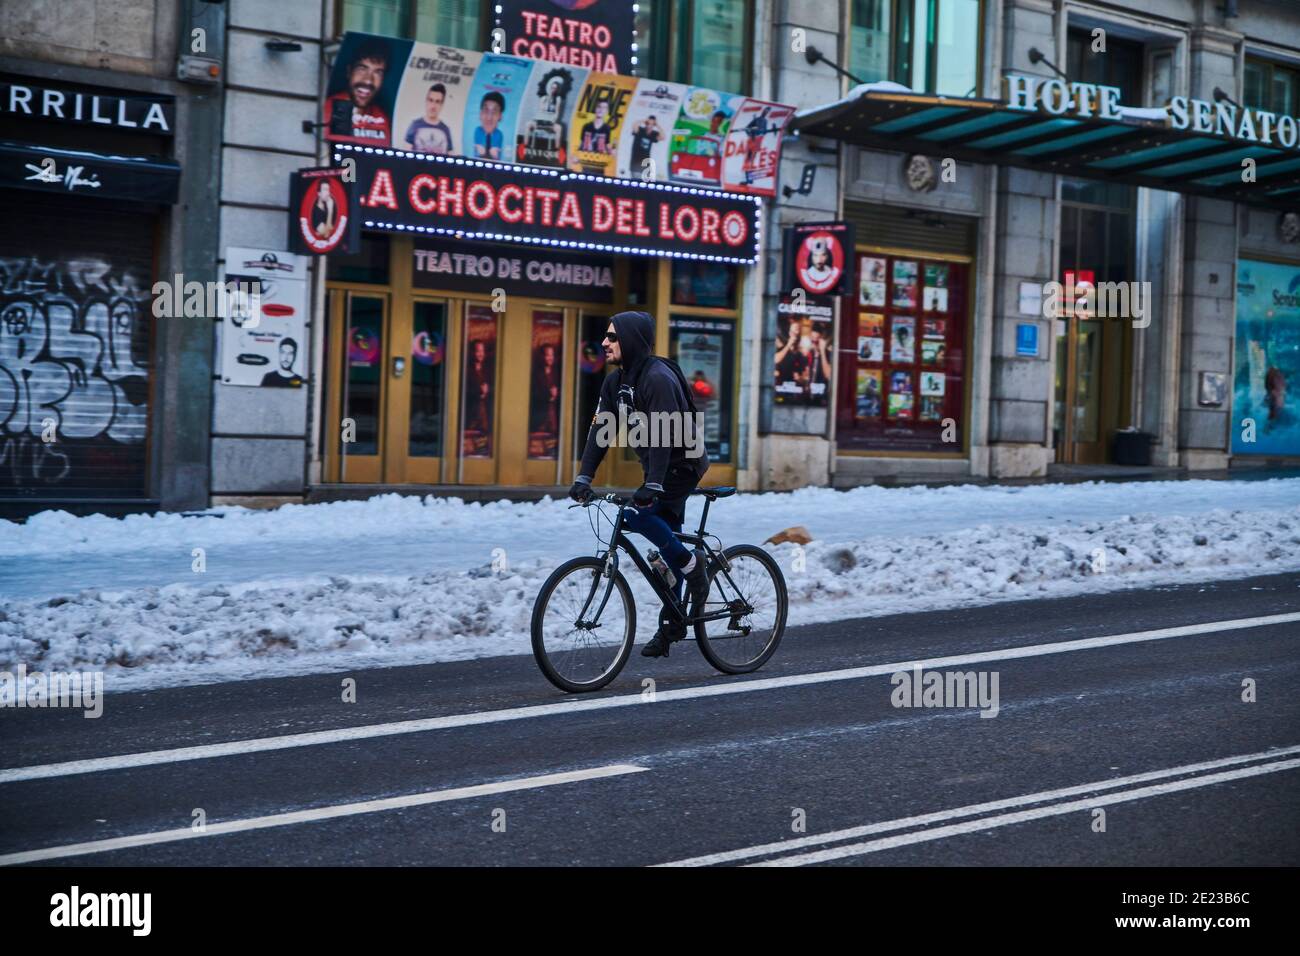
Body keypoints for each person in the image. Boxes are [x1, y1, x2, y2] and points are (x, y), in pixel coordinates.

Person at [569, 311, 711, 659]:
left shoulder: (658, 379)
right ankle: (674, 623)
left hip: (683, 464)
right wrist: (584, 476)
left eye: (612, 337)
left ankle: (695, 569)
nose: (604, 342)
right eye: (605, 336)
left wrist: (654, 485)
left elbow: (664, 436)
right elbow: (601, 432)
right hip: (657, 468)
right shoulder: (615, 383)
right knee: (666, 546)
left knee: (639, 515)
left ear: (631, 339)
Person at [323, 40, 391, 144]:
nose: (368, 80)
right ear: (349, 72)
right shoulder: (329, 108)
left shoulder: (380, 117)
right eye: (362, 69)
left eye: (378, 73)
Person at [405, 84, 454, 154]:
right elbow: (406, 156)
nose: (433, 106)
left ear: (442, 105)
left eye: (437, 102)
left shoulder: (445, 130)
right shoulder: (415, 125)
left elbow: (450, 157)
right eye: (431, 100)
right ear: (426, 101)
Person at [473, 91, 505, 159]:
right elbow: (478, 151)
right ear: (480, 114)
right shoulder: (478, 131)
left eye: (494, 112)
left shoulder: (499, 134)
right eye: (486, 111)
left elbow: (496, 155)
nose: (489, 118)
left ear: (500, 116)